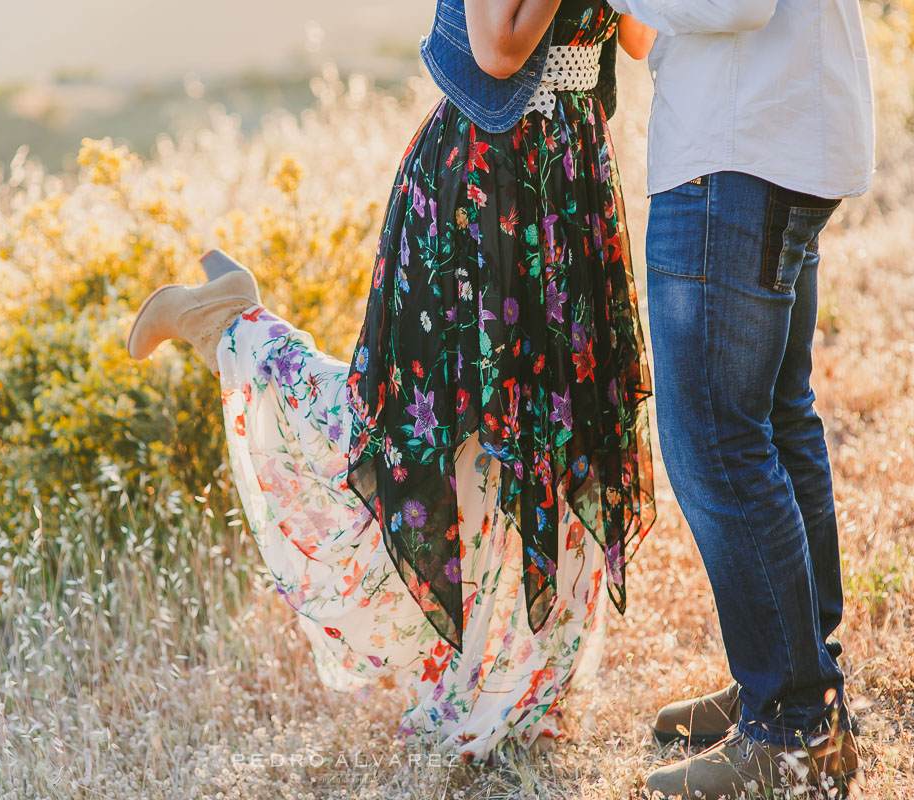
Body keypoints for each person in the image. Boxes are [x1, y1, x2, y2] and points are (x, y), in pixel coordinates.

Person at [126, 0, 656, 763]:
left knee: (558, 436)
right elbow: (497, 50)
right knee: (418, 437)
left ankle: (522, 683)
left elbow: (636, 40)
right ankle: (234, 327)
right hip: (482, 188)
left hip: (569, 177)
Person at [599, 0, 875, 796]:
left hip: (739, 148)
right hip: (779, 132)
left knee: (716, 441)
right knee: (778, 421)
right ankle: (801, 677)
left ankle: (794, 728)